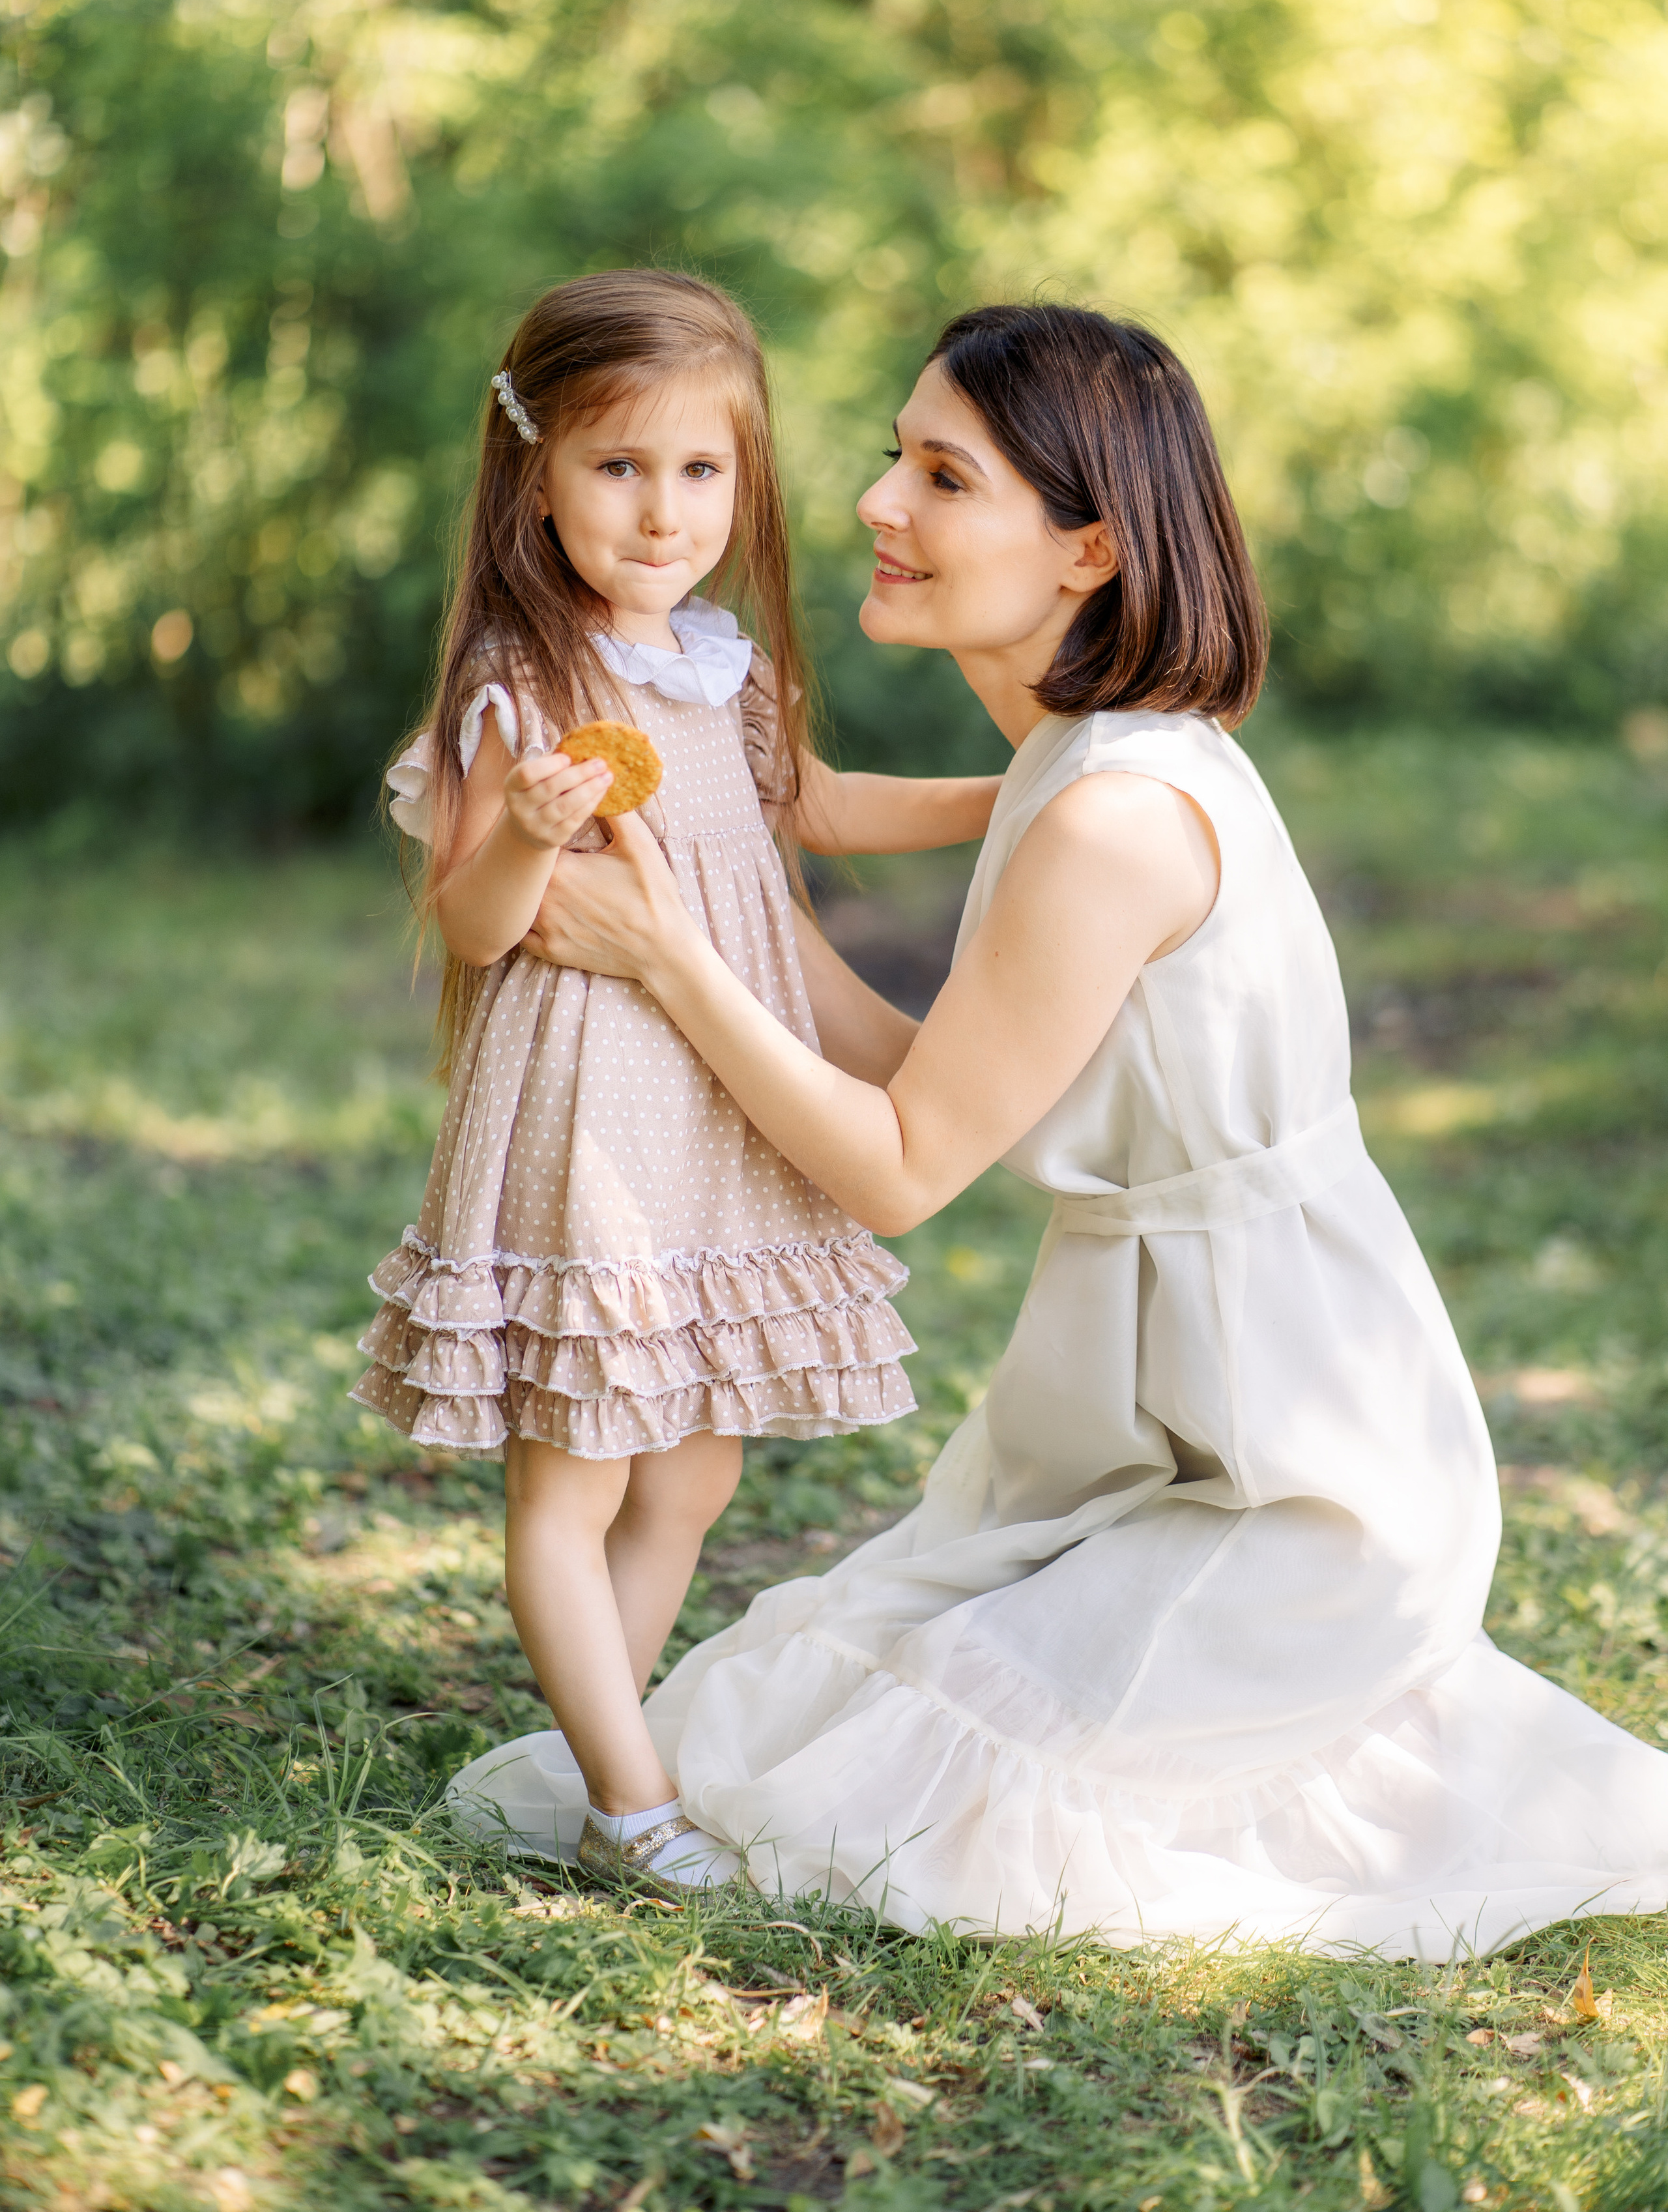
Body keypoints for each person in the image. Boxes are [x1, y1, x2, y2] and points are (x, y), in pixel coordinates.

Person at [460, 300, 1668, 1955]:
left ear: (1087, 548)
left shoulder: (1110, 816)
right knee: (800, 1707)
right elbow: (934, 1071)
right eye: (895, 457)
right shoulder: (1073, 762)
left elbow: (896, 1165)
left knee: (890, 1802)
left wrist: (673, 952)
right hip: (1141, 1400)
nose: (877, 505)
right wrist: (725, 903)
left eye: (940, 476)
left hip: (1284, 1450)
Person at [356, 269, 1001, 1891]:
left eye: (698, 472)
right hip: (588, 1106)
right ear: (535, 473)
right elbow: (478, 925)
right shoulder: (522, 675)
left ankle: (600, 1766)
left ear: (743, 479)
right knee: (576, 1459)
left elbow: (824, 805)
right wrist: (522, 831)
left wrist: (1022, 790)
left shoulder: (716, 666)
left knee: (695, 1464)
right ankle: (636, 1804)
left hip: (718, 1109)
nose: (661, 514)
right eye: (617, 468)